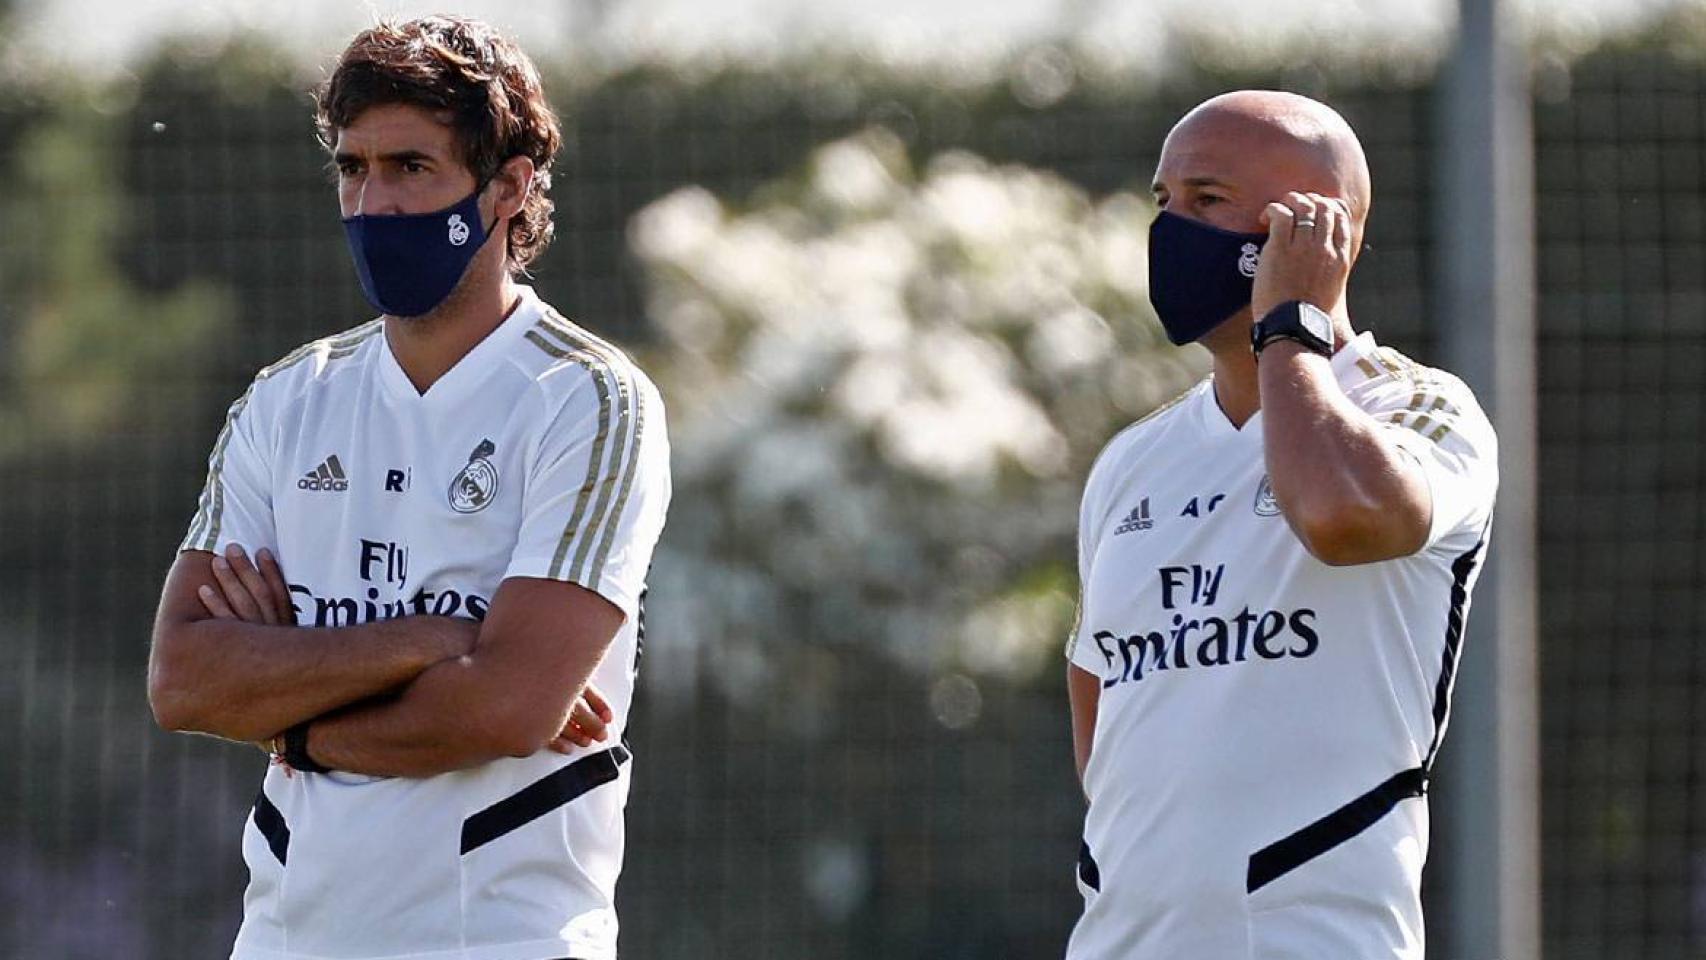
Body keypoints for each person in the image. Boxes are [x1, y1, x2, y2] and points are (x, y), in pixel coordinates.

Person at [146, 17, 670, 960]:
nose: (374, 202)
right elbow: (184, 680)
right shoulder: (285, 398)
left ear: (509, 186)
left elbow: (506, 708)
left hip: (499, 940)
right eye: (354, 169)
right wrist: (435, 641)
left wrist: (292, 723)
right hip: (283, 937)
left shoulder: (588, 398)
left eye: (412, 169)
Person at [1064, 90, 1498, 959]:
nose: (1171, 230)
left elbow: (1341, 516)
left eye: (1209, 200)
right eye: (1165, 202)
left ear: (1313, 227)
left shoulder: (1418, 408)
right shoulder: (1131, 463)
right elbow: (1101, 715)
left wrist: (1290, 325)